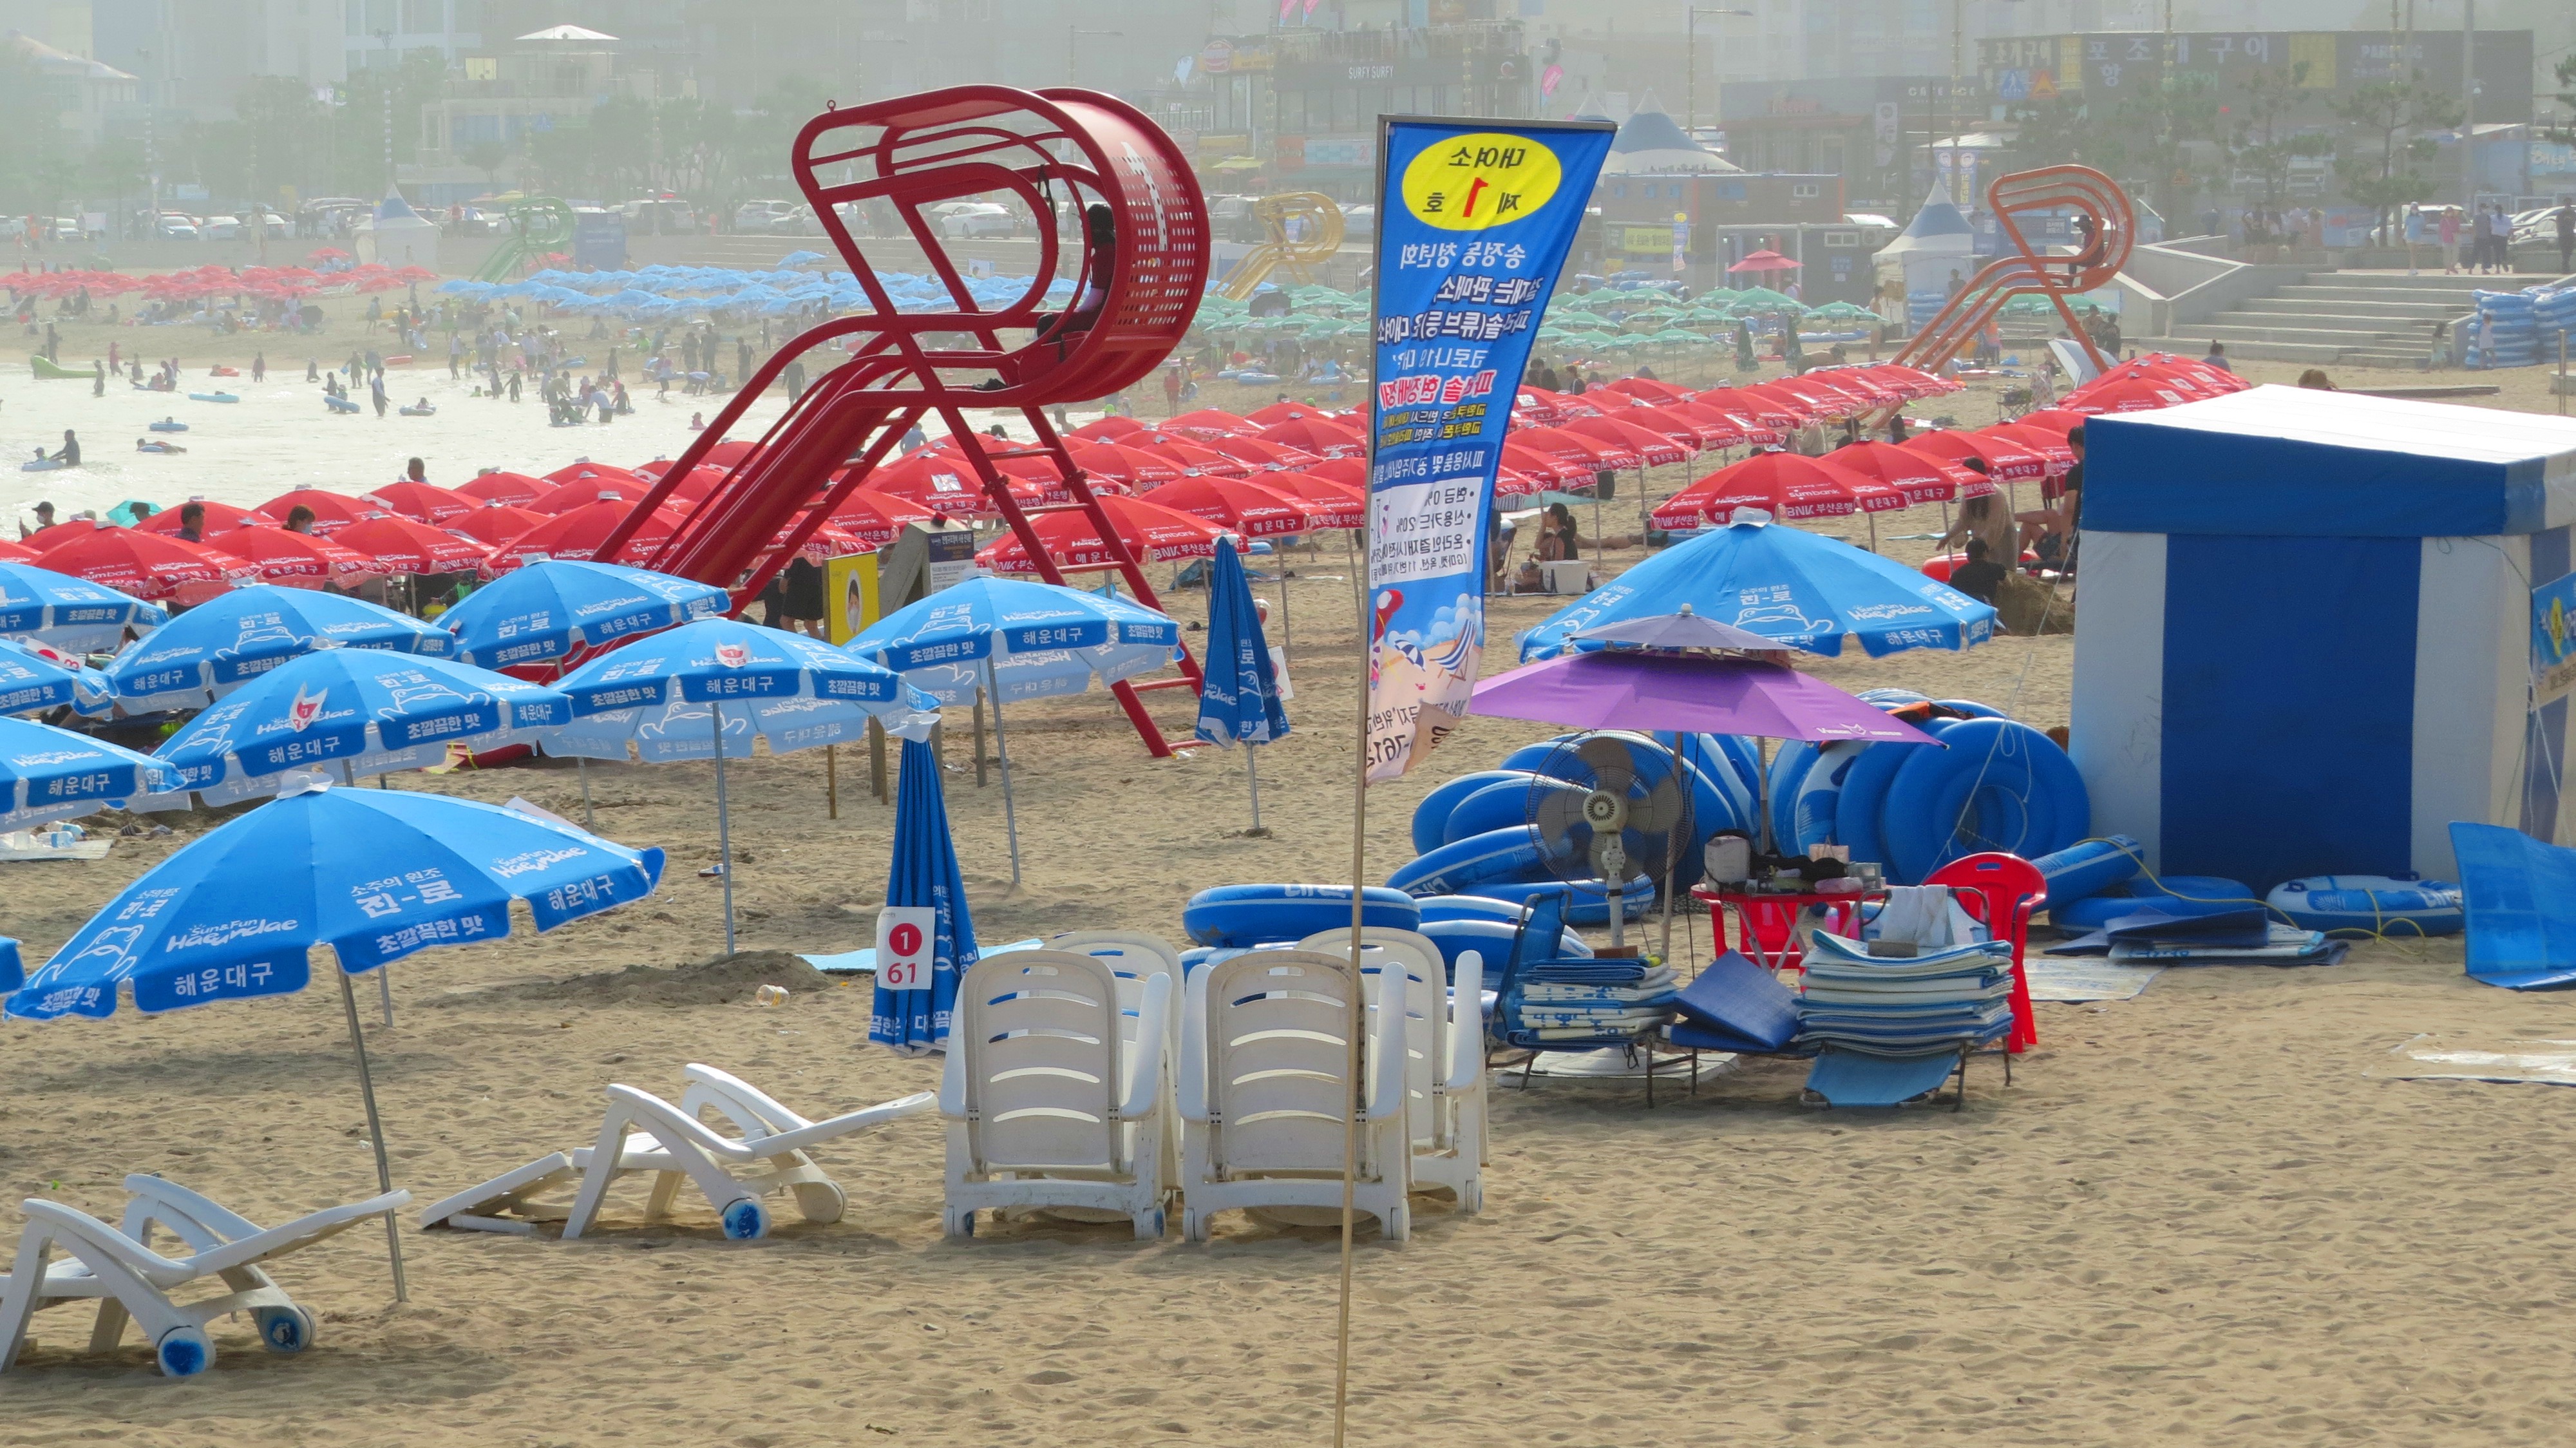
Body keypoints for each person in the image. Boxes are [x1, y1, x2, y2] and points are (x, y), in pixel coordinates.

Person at [1948, 537, 2007, 606]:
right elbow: (2009, 585)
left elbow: (1951, 593)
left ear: (1968, 555)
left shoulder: (1958, 574)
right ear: (1985, 553)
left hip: (1966, 608)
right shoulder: (1996, 569)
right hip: (1987, 607)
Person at [2439, 205, 2462, 274]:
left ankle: (2452, 266)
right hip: (2446, 239)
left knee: (2456, 254)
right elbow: (2440, 229)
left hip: (2455, 239)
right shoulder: (2443, 220)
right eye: (2448, 212)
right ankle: (2448, 269)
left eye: (2451, 212)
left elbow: (2458, 229)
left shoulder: (2456, 220)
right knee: (2447, 255)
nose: (2450, 213)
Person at [2557, 197, 2575, 276]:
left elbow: (2573, 223)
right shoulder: (2561, 214)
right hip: (2563, 236)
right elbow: (2559, 225)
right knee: (2564, 253)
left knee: (2569, 252)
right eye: (2567, 204)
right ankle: (2565, 269)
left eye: (2569, 204)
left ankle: (2566, 268)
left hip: (2570, 235)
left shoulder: (2573, 214)